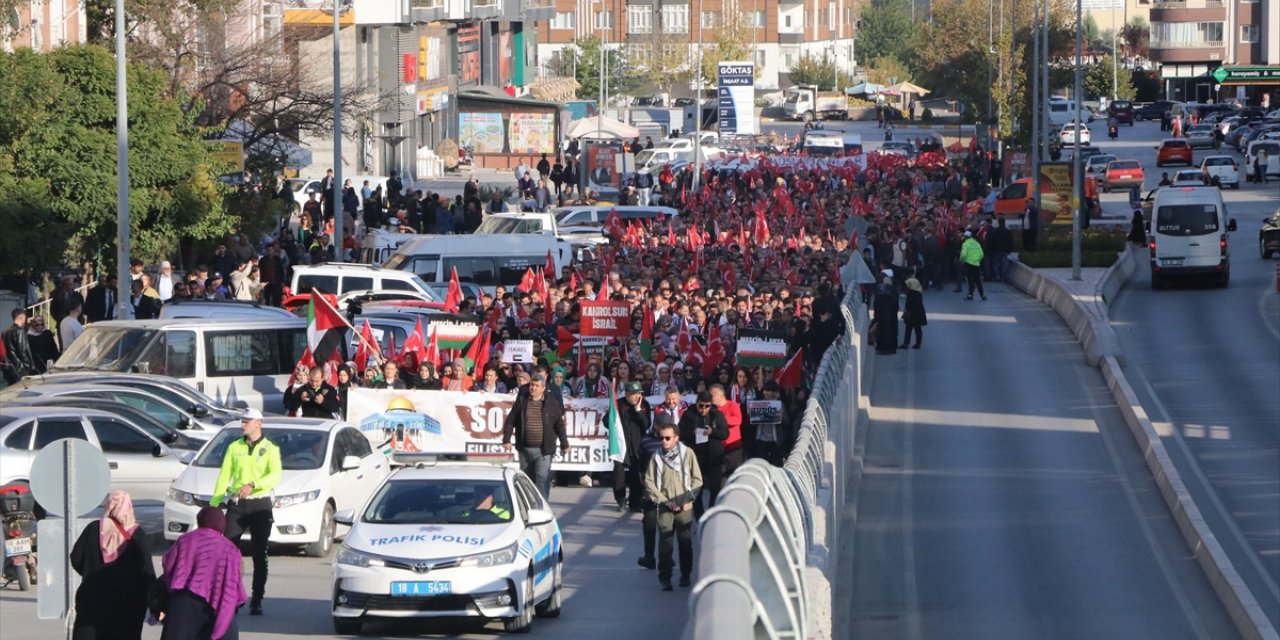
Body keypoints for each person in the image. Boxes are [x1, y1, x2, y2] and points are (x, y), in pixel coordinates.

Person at [209, 409, 281, 616]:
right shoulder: (234, 447)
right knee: (229, 551)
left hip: (260, 504)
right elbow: (224, 475)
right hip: (237, 504)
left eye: (247, 421)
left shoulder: (270, 448)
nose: (243, 425)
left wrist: (253, 484)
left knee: (259, 553)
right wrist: (215, 503)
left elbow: (275, 475)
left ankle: (256, 598)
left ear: (259, 423)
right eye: (242, 421)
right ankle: (230, 596)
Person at [69, 491, 155, 640]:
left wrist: (90, 572)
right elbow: (146, 572)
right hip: (128, 606)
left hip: (92, 601)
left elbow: (76, 558)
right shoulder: (137, 534)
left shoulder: (93, 528)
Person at [157, 506, 247, 640]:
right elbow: (235, 581)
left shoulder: (185, 540)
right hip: (219, 606)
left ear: (200, 520)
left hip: (184, 605)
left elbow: (168, 566)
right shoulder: (230, 548)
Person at [644, 422, 703, 591]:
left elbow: (697, 480)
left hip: (684, 505)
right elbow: (649, 482)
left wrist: (686, 499)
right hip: (665, 505)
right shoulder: (656, 457)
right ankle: (665, 577)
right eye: (661, 438)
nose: (664, 441)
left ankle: (685, 574)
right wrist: (664, 501)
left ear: (676, 438)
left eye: (668, 438)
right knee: (665, 543)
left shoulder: (687, 454)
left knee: (685, 542)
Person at [502, 373, 570, 499]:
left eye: (537, 386)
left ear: (543, 388)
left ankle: (542, 509)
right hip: (525, 449)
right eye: (531, 385)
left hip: (544, 450)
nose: (533, 388)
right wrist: (506, 439)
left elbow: (559, 425)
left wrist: (564, 444)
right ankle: (529, 508)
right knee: (526, 481)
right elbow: (511, 420)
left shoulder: (551, 403)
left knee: (542, 479)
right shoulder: (522, 401)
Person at [678, 391, 728, 520]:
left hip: (714, 456)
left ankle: (710, 514)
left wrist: (712, 432)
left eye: (707, 406)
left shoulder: (717, 414)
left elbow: (725, 434)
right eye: (701, 406)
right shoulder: (689, 414)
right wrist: (692, 432)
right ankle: (699, 517)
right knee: (696, 489)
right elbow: (680, 433)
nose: (703, 409)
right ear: (696, 403)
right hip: (696, 457)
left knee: (715, 487)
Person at [635, 412, 668, 570]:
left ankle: (666, 556)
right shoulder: (646, 440)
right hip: (650, 487)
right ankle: (649, 556)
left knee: (667, 525)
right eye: (660, 427)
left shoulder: (675, 441)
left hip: (669, 488)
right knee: (649, 523)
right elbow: (640, 464)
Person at [612, 381, 651, 513]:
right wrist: (612, 414)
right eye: (634, 394)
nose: (636, 397)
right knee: (619, 474)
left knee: (636, 475)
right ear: (627, 394)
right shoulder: (618, 404)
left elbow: (646, 425)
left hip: (637, 444)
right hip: (620, 445)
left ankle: (635, 502)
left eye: (639, 394)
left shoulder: (644, 405)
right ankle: (621, 500)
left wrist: (638, 411)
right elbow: (607, 422)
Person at [2, 308, 37, 382]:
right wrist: (28, 365)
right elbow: (23, 350)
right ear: (22, 317)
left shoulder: (4, 332)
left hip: (9, 368)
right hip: (20, 368)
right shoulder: (20, 331)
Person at [872, 271, 899, 355]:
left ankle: (882, 348)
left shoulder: (880, 292)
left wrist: (876, 315)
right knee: (892, 332)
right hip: (891, 316)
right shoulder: (893, 291)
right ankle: (892, 348)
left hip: (881, 316)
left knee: (882, 332)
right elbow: (895, 305)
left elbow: (876, 304)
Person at [900, 277, 928, 350]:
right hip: (918, 313)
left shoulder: (912, 293)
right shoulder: (918, 292)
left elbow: (913, 304)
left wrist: (908, 312)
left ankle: (906, 343)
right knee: (917, 328)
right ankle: (918, 343)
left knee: (909, 328)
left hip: (913, 313)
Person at [960, 230, 986, 301]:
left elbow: (964, 254)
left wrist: (961, 260)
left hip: (968, 264)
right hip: (976, 264)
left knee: (970, 280)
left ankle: (970, 295)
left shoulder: (965, 244)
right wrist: (978, 261)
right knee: (978, 280)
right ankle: (982, 294)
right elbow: (981, 254)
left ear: (966, 237)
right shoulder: (977, 244)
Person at [986, 216, 1013, 282]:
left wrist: (989, 248)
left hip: (996, 250)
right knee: (1004, 263)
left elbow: (991, 241)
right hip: (1004, 250)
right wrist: (1009, 249)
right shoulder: (1007, 232)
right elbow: (1010, 241)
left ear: (998, 223)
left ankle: (997, 275)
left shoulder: (995, 231)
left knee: (996, 264)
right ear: (1004, 222)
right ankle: (1003, 276)